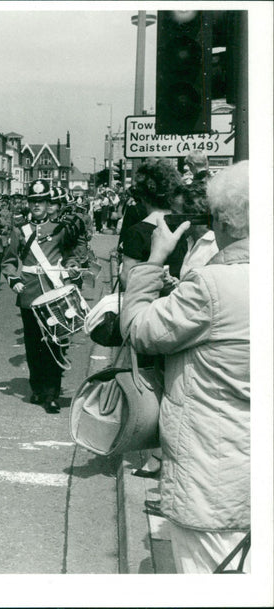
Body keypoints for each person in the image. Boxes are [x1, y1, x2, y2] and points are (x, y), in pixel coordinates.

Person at [120, 161, 249, 574]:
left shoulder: (213, 284)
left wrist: (154, 259)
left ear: (226, 222)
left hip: (215, 481)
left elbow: (139, 328)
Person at [2, 179, 83, 414]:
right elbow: (9, 261)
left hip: (54, 292)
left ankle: (52, 393)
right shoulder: (20, 230)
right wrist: (13, 279)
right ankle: (37, 387)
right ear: (28, 204)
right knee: (33, 344)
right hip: (28, 293)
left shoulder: (60, 229)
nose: (37, 205)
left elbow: (70, 256)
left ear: (49, 204)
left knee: (54, 343)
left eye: (42, 201)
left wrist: (73, 266)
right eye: (33, 201)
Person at [119, 158, 188, 290]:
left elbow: (127, 279)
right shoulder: (183, 226)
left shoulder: (137, 232)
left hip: (148, 302)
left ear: (143, 195)